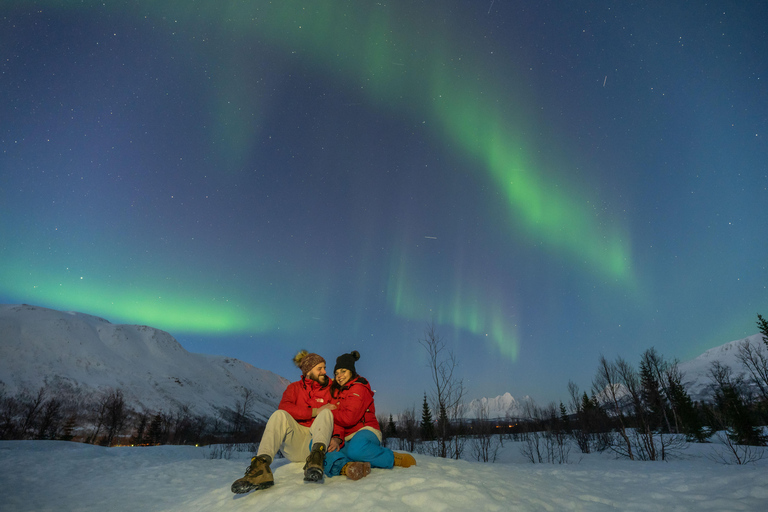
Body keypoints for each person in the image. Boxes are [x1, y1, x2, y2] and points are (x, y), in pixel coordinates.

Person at [231, 350, 335, 494]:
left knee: (327, 412)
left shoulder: (332, 388)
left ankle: (316, 462)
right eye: (320, 368)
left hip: (317, 441)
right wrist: (314, 411)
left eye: (324, 367)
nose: (324, 371)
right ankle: (261, 467)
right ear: (308, 371)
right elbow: (285, 407)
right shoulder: (294, 388)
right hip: (296, 442)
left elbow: (339, 414)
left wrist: (336, 437)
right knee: (279, 414)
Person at [324, 350, 416, 480]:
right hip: (347, 436)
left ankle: (393, 458)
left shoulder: (359, 387)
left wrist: (326, 412)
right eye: (336, 373)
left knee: (356, 450)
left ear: (351, 371)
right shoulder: (336, 392)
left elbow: (348, 418)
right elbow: (336, 421)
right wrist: (336, 438)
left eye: (343, 371)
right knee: (322, 446)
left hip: (366, 430)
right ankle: (351, 466)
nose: (339, 376)